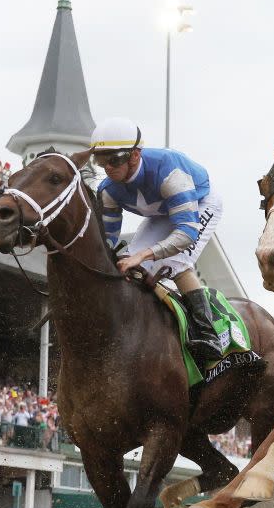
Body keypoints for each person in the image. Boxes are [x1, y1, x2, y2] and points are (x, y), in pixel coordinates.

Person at [91, 117, 223, 362]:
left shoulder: (168, 171)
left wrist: (142, 254)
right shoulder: (108, 190)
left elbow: (186, 233)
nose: (107, 168)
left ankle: (208, 334)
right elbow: (108, 239)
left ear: (135, 156)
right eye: (100, 160)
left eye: (114, 159)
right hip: (163, 211)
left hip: (199, 204)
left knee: (175, 263)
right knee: (132, 266)